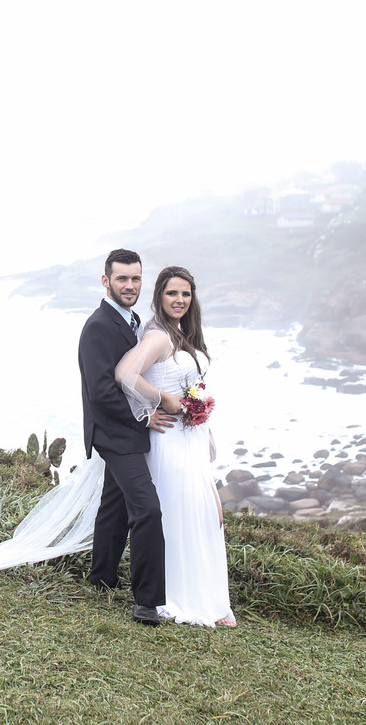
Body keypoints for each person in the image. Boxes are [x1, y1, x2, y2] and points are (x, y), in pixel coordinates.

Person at [115, 265, 236, 627]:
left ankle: (210, 600)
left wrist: (205, 430)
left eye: (185, 293)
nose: (179, 300)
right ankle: (177, 596)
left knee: (203, 514)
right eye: (172, 293)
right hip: (170, 440)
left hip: (191, 438)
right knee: (179, 513)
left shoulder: (184, 335)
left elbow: (193, 386)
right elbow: (124, 375)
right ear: (160, 297)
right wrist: (159, 401)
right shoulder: (158, 337)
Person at [78, 248, 173, 626]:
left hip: (125, 430)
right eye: (122, 278)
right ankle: (146, 602)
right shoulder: (99, 326)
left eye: (135, 278)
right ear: (106, 281)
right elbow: (101, 392)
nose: (130, 285)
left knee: (114, 505)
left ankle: (101, 575)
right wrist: (146, 416)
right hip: (114, 433)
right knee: (147, 509)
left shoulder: (133, 321)